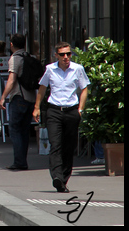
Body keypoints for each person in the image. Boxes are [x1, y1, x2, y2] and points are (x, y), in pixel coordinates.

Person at [34, 42, 89, 193]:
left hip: (71, 111)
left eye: (68, 54)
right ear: (56, 56)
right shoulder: (50, 69)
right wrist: (37, 107)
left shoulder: (77, 69)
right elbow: (42, 88)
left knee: (68, 146)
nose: (66, 57)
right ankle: (57, 177)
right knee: (55, 144)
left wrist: (80, 109)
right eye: (62, 54)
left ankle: (64, 179)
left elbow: (84, 89)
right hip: (54, 110)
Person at [0, 33, 38, 171]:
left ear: (11, 44)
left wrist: (3, 97)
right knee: (24, 131)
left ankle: (19, 161)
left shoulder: (15, 59)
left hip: (18, 97)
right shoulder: (30, 57)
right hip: (31, 98)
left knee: (15, 130)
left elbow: (11, 80)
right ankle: (23, 160)